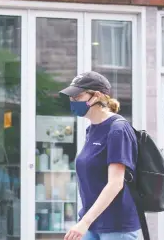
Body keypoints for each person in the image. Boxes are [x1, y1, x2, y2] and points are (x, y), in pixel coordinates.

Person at [59, 71, 141, 240]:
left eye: (77, 96)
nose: (72, 101)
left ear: (96, 96)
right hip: (92, 222)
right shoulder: (92, 129)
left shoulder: (118, 129)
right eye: (71, 97)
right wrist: (86, 220)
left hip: (116, 227)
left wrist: (84, 223)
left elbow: (115, 183)